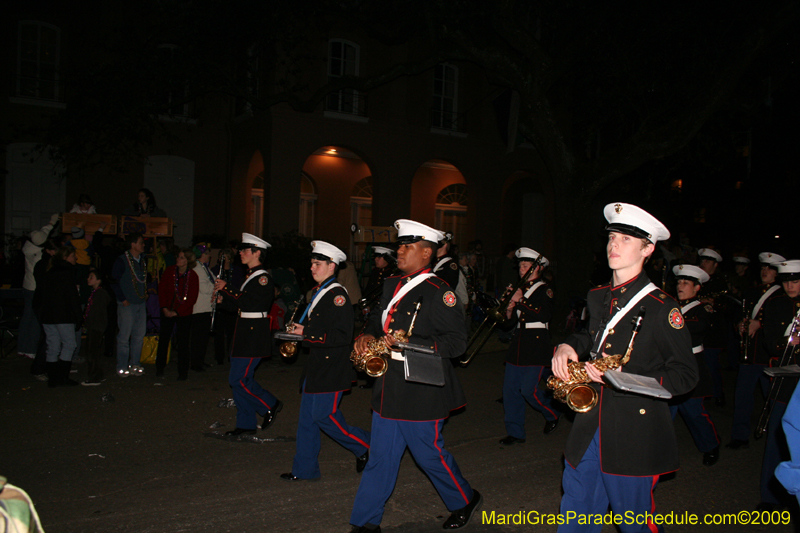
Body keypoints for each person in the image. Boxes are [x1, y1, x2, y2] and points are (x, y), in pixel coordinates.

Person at [551, 203, 698, 533]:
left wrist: (621, 379)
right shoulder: (598, 296)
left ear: (648, 249)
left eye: (626, 240)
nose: (614, 245)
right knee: (575, 514)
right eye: (612, 237)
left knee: (633, 524)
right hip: (589, 425)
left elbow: (686, 374)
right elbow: (592, 337)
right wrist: (570, 344)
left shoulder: (663, 308)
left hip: (635, 431)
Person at [349, 219, 481, 533]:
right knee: (381, 457)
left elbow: (457, 343)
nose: (400, 250)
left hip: (422, 386)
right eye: (400, 245)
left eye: (407, 246)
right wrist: (367, 336)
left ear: (426, 254)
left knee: (429, 455)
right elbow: (376, 321)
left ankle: (464, 498)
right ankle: (366, 522)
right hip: (389, 384)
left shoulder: (440, 292)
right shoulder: (391, 285)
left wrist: (412, 342)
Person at [280, 241, 370, 481]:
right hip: (317, 365)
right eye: (311, 263)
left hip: (332, 367)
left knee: (324, 417)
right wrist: (300, 329)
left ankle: (365, 446)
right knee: (307, 421)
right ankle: (305, 470)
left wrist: (305, 334)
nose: (312, 267)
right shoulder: (321, 291)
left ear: (332, 266)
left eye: (317, 264)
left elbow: (342, 336)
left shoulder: (337, 295)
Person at [214, 233, 282, 436]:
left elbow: (253, 303)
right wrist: (223, 301)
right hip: (244, 330)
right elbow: (242, 305)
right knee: (238, 379)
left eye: (245, 250)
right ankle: (245, 423)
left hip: (253, 333)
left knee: (239, 379)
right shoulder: (250, 276)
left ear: (257, 253)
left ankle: (269, 403)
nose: (240, 253)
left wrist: (228, 290)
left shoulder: (262, 278)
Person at [499, 247, 559, 445]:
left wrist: (520, 300)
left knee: (529, 391)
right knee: (510, 391)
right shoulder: (519, 289)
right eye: (521, 266)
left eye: (527, 266)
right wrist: (508, 311)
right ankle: (515, 432)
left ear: (538, 268)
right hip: (518, 342)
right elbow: (509, 324)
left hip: (536, 343)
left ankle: (552, 413)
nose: (522, 269)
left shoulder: (544, 289)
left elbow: (544, 315)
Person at [728, 252, 786, 450]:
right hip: (749, 352)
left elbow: (783, 323)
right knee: (742, 396)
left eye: (769, 268)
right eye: (763, 267)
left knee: (773, 398)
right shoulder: (752, 292)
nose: (765, 271)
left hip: (767, 354)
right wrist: (740, 326)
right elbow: (740, 316)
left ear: (777, 273)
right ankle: (739, 435)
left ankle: (778, 437)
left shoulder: (782, 295)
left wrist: (759, 323)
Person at [754, 259, 800, 511]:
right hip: (785, 380)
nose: (790, 286)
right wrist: (789, 341)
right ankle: (770, 496)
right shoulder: (777, 305)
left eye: (795, 281)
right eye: (786, 281)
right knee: (776, 438)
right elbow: (770, 344)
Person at [671, 264, 721, 466]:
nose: (680, 286)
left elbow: (696, 329)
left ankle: (711, 445)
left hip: (692, 364)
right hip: (670, 364)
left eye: (686, 282)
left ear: (697, 287)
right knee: (664, 410)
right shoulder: (670, 305)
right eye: (679, 282)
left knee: (693, 411)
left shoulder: (703, 309)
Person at [34, 247, 82, 388]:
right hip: (63, 315)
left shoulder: (49, 272)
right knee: (69, 344)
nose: (76, 259)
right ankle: (62, 377)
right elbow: (72, 296)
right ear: (66, 257)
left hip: (48, 315)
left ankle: (53, 379)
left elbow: (41, 295)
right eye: (73, 256)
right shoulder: (66, 272)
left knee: (53, 346)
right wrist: (78, 316)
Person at [18, 213, 60, 359]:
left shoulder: (28, 246)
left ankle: (21, 347)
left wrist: (52, 222)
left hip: (27, 286)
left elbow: (43, 232)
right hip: (35, 288)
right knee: (35, 320)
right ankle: (30, 349)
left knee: (26, 317)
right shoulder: (38, 255)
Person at [157, 249, 199, 380]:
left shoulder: (192, 276)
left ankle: (182, 372)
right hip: (167, 310)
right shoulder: (170, 271)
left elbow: (192, 298)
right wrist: (164, 308)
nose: (178, 259)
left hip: (183, 314)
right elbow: (162, 290)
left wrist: (177, 311)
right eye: (178, 257)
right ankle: (159, 368)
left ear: (187, 261)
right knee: (164, 340)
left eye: (181, 257)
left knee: (183, 343)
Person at [111, 232, 149, 377]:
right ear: (133, 245)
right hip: (127, 304)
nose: (143, 245)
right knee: (124, 336)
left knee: (139, 335)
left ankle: (135, 363)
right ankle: (122, 365)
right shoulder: (122, 261)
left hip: (140, 302)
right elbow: (114, 281)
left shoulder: (142, 260)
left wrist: (144, 292)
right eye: (140, 242)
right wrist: (122, 299)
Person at [697, 247, 728, 406]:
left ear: (715, 265)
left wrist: (714, 303)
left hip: (713, 332)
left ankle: (717, 392)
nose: (703, 263)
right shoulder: (696, 280)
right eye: (702, 260)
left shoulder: (719, 283)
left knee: (711, 365)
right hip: (697, 330)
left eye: (708, 261)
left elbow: (728, 305)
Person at [82, 268, 112, 385]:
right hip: (94, 326)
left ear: (98, 280)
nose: (88, 279)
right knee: (92, 351)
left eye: (91, 277)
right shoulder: (95, 293)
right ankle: (97, 374)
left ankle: (94, 377)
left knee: (92, 352)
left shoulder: (100, 294)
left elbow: (97, 312)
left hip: (96, 327)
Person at [190, 243, 215, 372]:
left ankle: (200, 360)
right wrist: (216, 287)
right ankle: (195, 363)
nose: (209, 256)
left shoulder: (205, 268)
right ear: (202, 255)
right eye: (207, 253)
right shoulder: (198, 269)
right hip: (199, 308)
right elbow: (205, 288)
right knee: (198, 338)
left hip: (206, 308)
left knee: (203, 338)